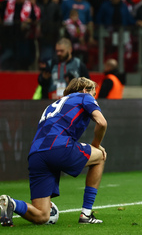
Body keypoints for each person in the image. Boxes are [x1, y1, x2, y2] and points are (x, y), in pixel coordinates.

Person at [0, 77, 107, 226]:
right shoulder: (84, 97)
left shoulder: (54, 104)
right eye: (94, 94)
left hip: (36, 154)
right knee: (100, 156)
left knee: (42, 215)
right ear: (85, 90)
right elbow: (102, 122)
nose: (94, 97)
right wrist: (96, 145)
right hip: (58, 147)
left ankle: (11, 203)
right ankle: (86, 214)